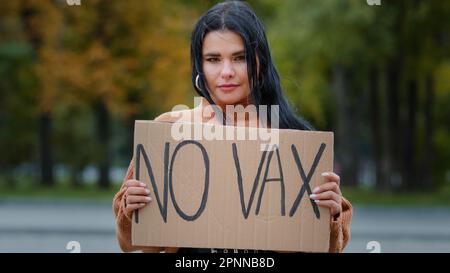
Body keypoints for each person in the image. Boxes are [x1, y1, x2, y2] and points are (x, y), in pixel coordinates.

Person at [113, 0, 352, 253]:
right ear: (199, 66)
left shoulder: (297, 142)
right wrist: (132, 210)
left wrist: (330, 216)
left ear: (260, 63)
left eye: (240, 58)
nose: (226, 72)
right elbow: (130, 243)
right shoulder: (169, 131)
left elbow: (328, 248)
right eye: (213, 59)